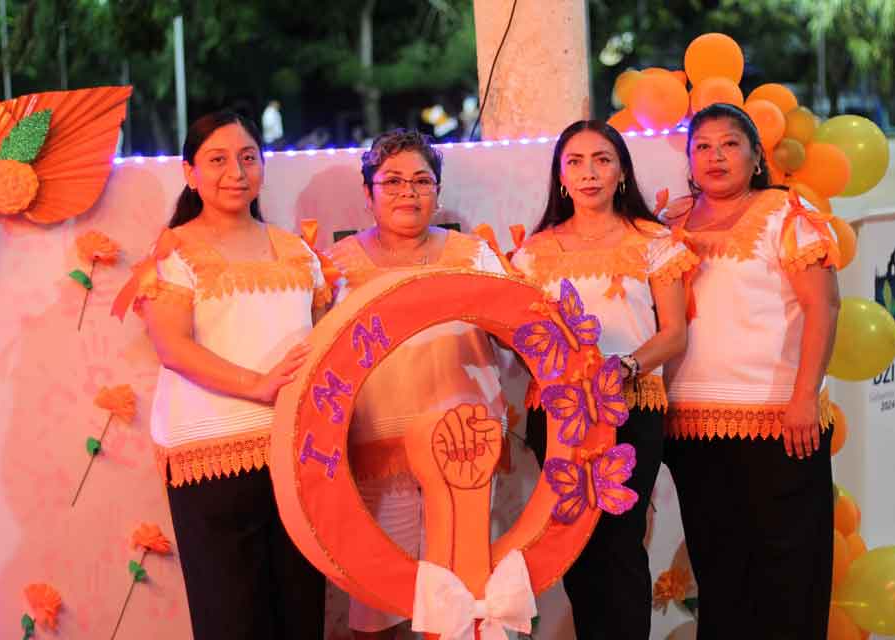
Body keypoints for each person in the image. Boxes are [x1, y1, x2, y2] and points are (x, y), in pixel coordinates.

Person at [113, 110, 328, 640]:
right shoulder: (176, 252)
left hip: (297, 455)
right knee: (231, 617)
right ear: (190, 173)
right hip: (211, 460)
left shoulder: (297, 251)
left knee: (300, 612)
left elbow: (323, 339)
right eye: (217, 159)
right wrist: (258, 385)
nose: (236, 171)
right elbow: (174, 348)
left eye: (248, 157)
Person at [661, 103, 840, 639]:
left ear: (756, 154)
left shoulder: (788, 215)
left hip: (781, 422)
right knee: (719, 574)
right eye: (702, 147)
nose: (715, 157)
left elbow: (824, 307)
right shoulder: (669, 226)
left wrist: (804, 395)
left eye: (729, 144)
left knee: (788, 573)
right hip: (691, 427)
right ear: (690, 160)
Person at [511, 119, 695, 640]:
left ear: (621, 172)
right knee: (573, 542)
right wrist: (557, 372)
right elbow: (519, 337)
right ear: (561, 178)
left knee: (619, 540)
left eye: (602, 159)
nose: (589, 172)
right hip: (560, 415)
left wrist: (624, 367)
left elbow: (674, 333)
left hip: (631, 408)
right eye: (576, 162)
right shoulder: (533, 253)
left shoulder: (654, 241)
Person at [320, 129, 508, 640]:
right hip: (379, 457)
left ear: (439, 192)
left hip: (464, 450)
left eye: (422, 180)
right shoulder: (336, 268)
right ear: (368, 193)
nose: (408, 192)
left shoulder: (476, 256)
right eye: (393, 181)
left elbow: (520, 333)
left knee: (465, 594)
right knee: (380, 603)